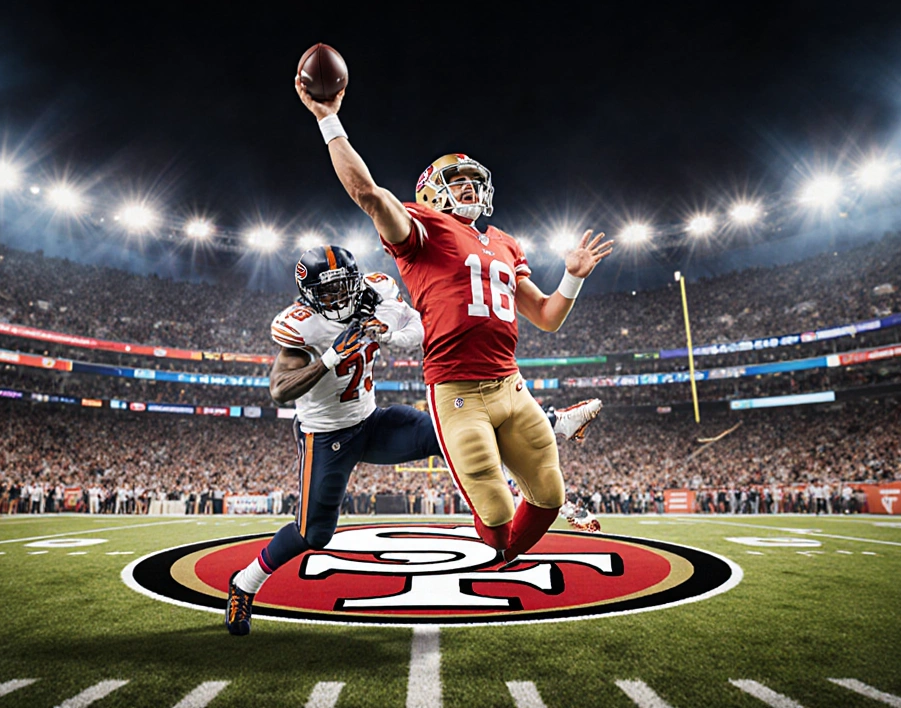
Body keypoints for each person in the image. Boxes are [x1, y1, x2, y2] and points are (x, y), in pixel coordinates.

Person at [295, 79, 613, 568]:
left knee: (548, 494)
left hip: (512, 384)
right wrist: (327, 117)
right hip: (457, 391)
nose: (468, 186)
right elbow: (368, 194)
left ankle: (505, 555)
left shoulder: (506, 243)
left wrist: (572, 278)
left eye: (472, 179)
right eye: (456, 180)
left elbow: (548, 318)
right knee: (497, 513)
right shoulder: (423, 230)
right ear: (430, 194)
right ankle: (508, 532)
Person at [225, 245, 603, 636]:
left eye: (344, 288)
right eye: (328, 292)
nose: (338, 299)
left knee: (455, 435)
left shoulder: (375, 292)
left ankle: (552, 425)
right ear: (308, 296)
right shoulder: (300, 325)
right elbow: (280, 391)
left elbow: (419, 327)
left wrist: (389, 332)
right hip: (326, 435)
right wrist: (329, 360)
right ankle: (244, 583)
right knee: (313, 534)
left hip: (371, 421)